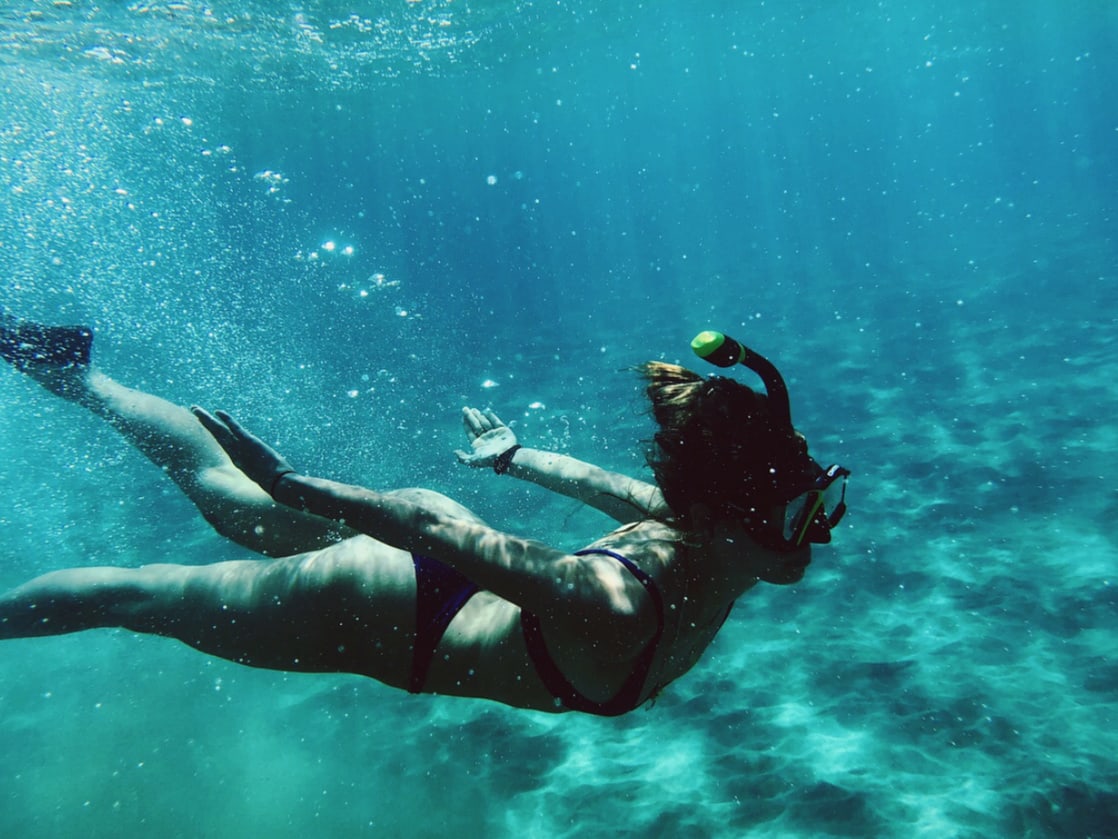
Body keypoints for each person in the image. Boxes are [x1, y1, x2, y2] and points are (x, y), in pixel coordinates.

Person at [0, 314, 848, 715]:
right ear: (727, 516)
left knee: (224, 497)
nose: (819, 531)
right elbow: (435, 534)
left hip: (418, 581)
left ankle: (74, 374)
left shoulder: (706, 531)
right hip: (381, 605)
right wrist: (298, 485)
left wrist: (514, 459)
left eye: (821, 504)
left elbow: (597, 485)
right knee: (137, 593)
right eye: (803, 512)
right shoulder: (619, 604)